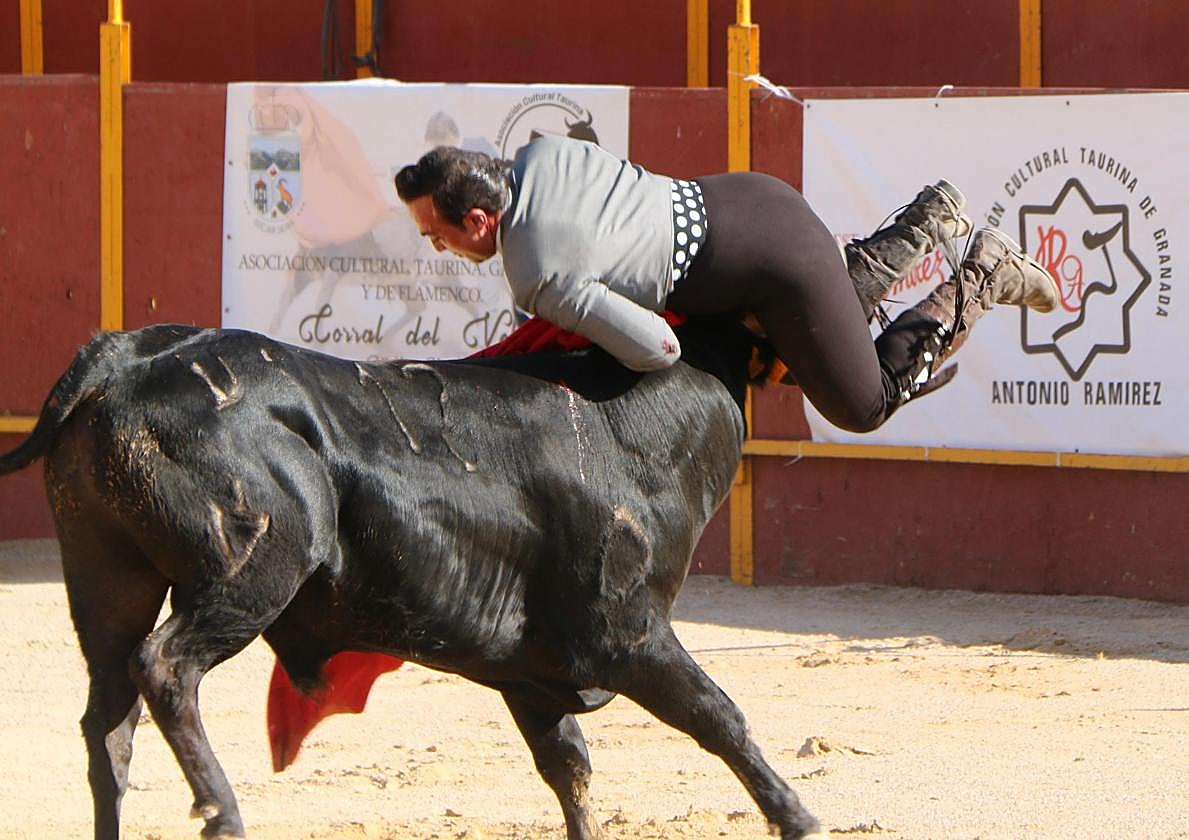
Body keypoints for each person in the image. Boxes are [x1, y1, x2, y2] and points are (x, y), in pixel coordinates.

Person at [393, 135, 1058, 432]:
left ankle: (981, 274)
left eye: (438, 236)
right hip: (744, 200)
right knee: (804, 334)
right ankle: (924, 221)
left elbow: (656, 348)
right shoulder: (540, 154)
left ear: (479, 220)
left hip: (768, 265)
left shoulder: (536, 272)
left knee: (861, 405)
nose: (440, 248)